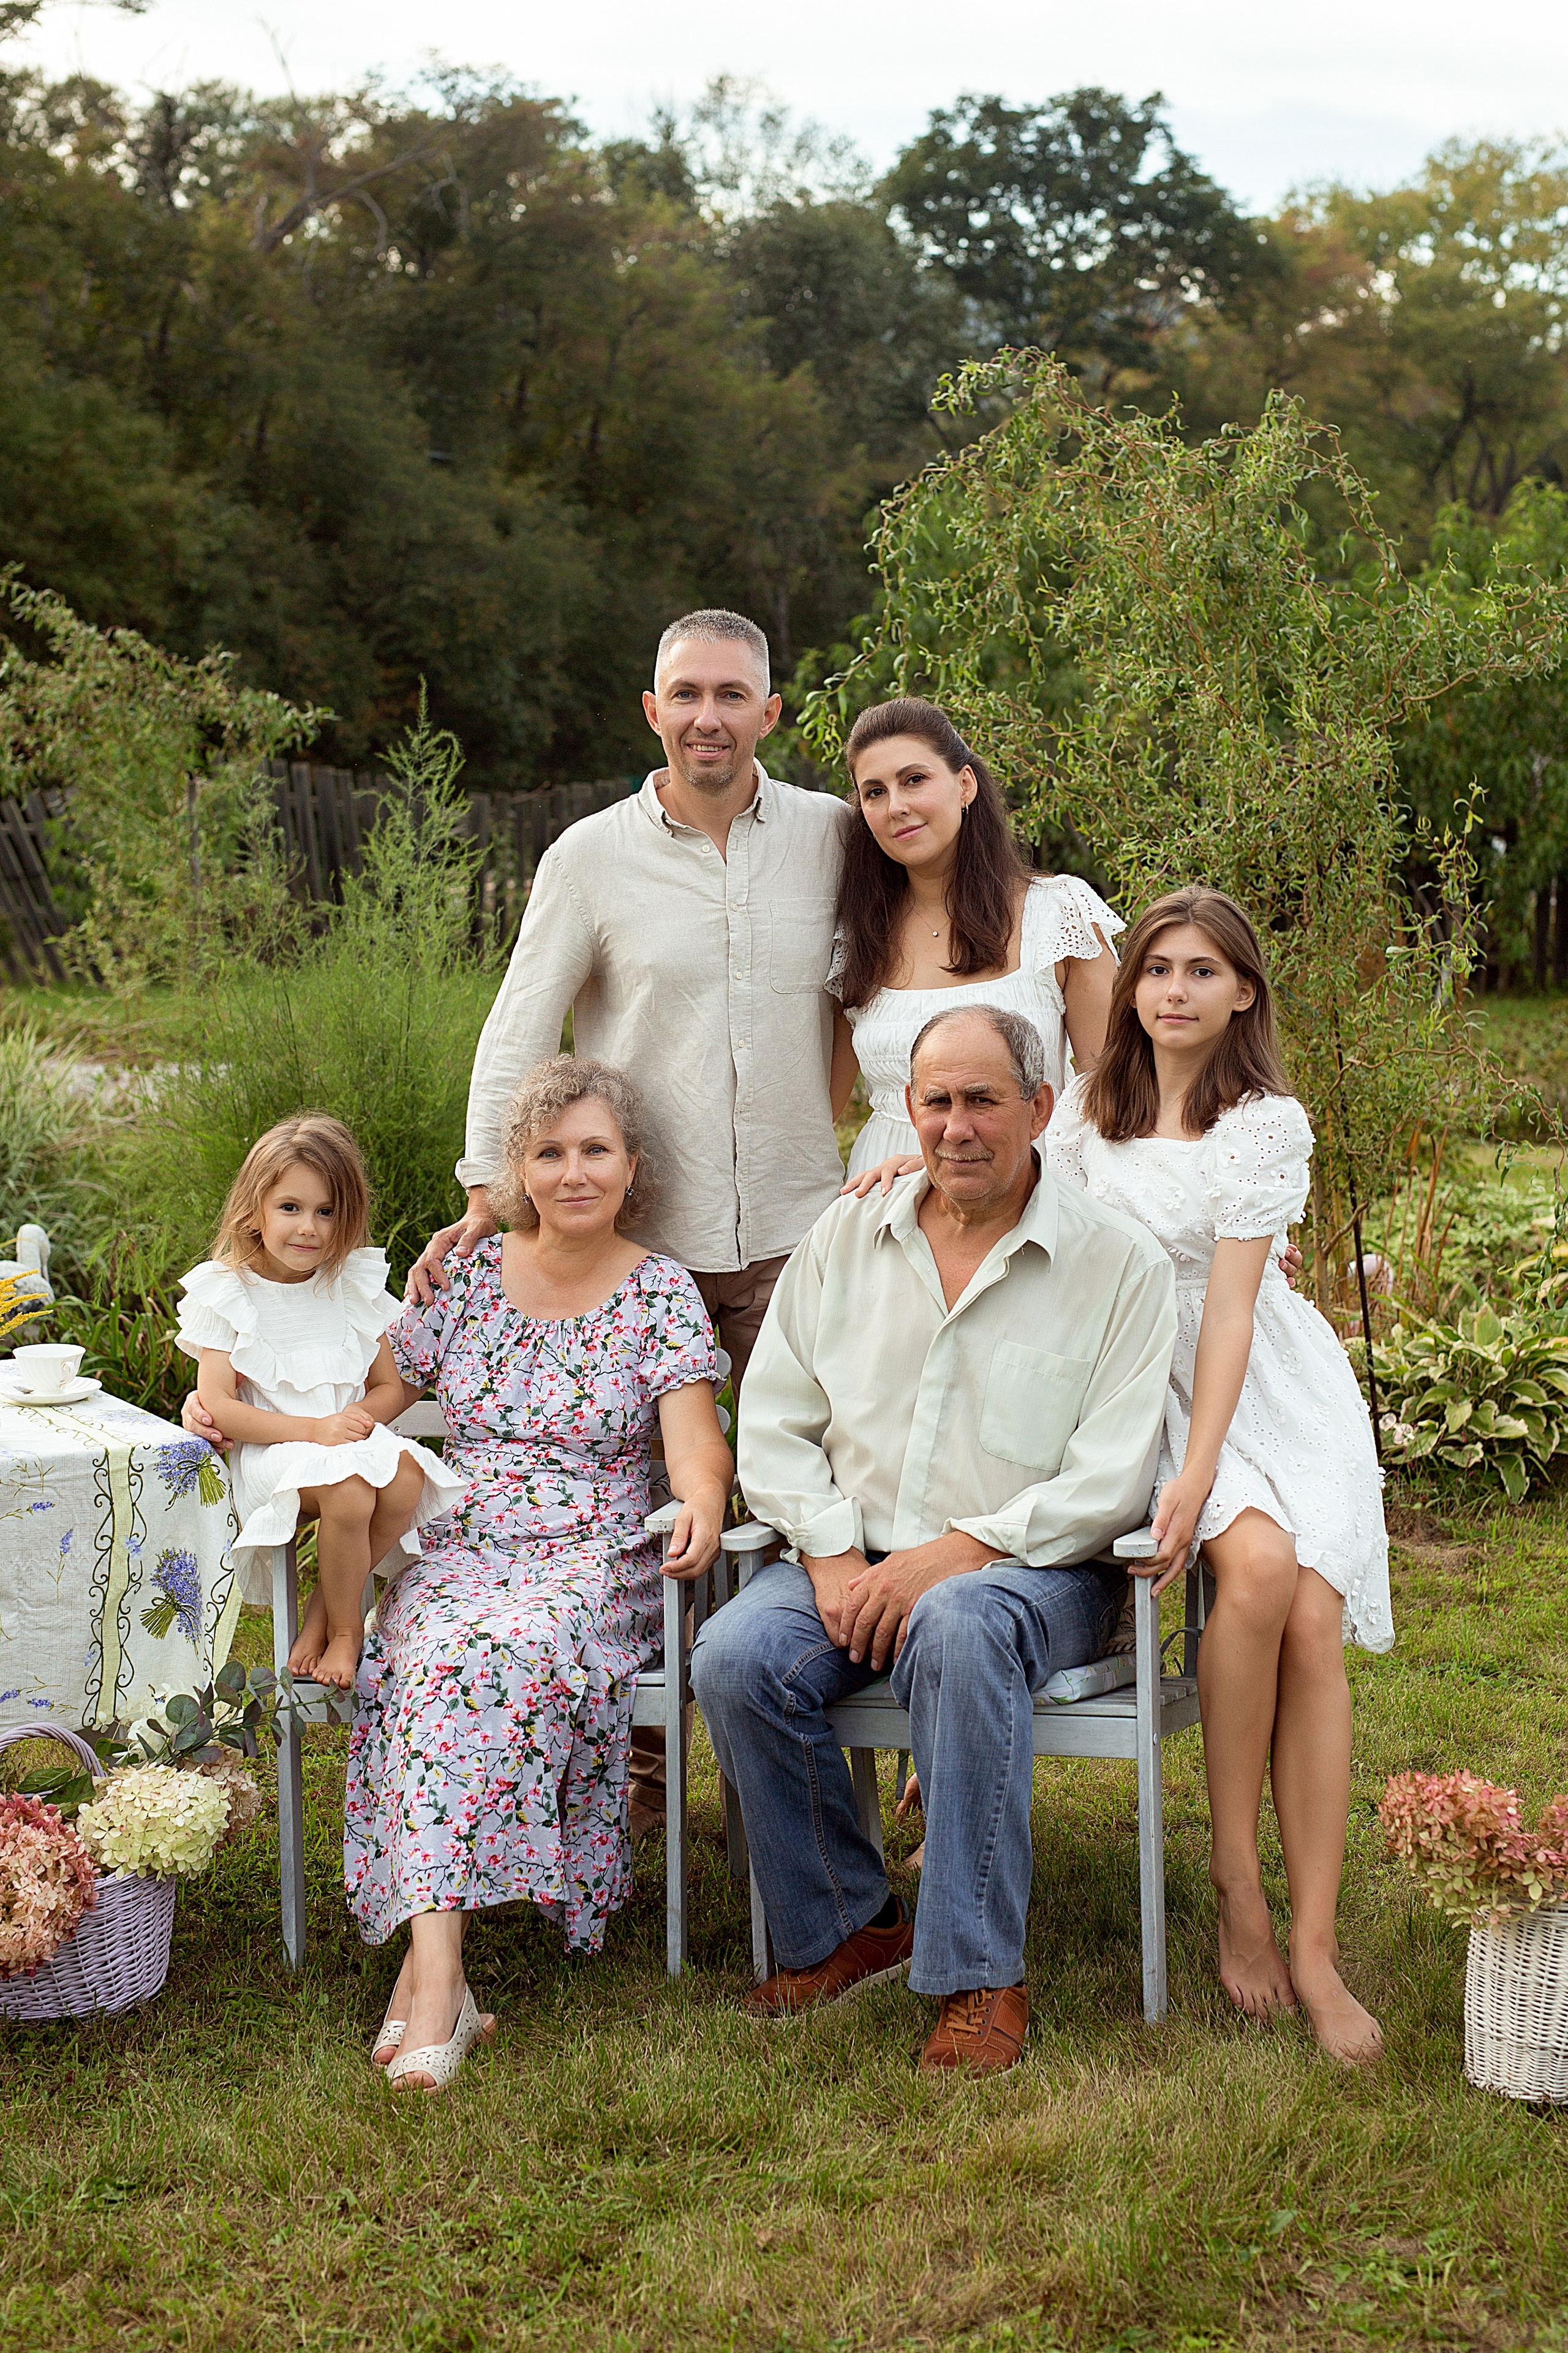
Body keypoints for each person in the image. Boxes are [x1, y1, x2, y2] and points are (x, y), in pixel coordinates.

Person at [403, 606, 846, 1831]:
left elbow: (884, 996)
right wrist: (490, 1203)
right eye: (685, 694)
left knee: (833, 1492)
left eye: (732, 694)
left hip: (804, 1240)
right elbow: (517, 1027)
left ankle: (841, 1750)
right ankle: (636, 1767)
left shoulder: (830, 838)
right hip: (644, 1249)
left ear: (770, 709)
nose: (709, 716)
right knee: (640, 1509)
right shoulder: (588, 858)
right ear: (652, 712)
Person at [692, 1005, 1177, 2076]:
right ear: (909, 1112)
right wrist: (827, 1557)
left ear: (1040, 1108)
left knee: (956, 1626)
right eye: (937, 1102)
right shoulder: (845, 1238)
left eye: (983, 1100)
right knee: (734, 1656)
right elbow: (772, 1420)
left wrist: (944, 1558)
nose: (957, 1126)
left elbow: (1108, 1483)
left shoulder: (1118, 1267)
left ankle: (977, 1975)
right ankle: (844, 1928)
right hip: (849, 1555)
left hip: (1036, 1573)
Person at [1044, 886, 1392, 2066]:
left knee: (1311, 1609)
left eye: (1202, 971)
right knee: (1257, 1570)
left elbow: (1235, 1313)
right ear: (1129, 987)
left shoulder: (1262, 1122)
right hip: (1140, 1383)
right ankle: (1236, 1883)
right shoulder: (1089, 1118)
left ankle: (1314, 1941)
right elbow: (996, 1192)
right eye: (1155, 969)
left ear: (1243, 991)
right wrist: (895, 1172)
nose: (1174, 991)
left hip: (1262, 1386)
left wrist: (1198, 1475)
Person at [348, 1060, 733, 2093]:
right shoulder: (466, 1278)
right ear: (517, 1170)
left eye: (595, 1150)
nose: (573, 1172)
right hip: (466, 1538)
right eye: (551, 1152)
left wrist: (697, 1499)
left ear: (630, 1165)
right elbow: (376, 1393)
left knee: (503, 1648)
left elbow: (694, 1445)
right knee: (425, 1646)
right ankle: (442, 1979)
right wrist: (255, 1409)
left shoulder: (658, 1289)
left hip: (591, 1555)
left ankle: (429, 1987)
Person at [173, 1116, 463, 1690]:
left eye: (326, 1211)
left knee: (405, 1478)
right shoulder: (229, 1290)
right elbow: (220, 1406)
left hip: (342, 1441)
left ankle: (320, 1609)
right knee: (351, 1492)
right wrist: (317, 1428)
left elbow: (386, 1387)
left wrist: (353, 1423)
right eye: (290, 1208)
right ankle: (348, 1633)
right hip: (274, 1450)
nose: (309, 1227)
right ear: (254, 1209)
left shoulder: (347, 1285)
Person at [830, 697, 1120, 1185]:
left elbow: (1117, 1097)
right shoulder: (859, 938)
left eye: (914, 780)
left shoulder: (1058, 914)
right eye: (874, 792)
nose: (896, 805)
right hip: (887, 1202)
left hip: (1027, 1193)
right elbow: (821, 1112)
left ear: (965, 785)